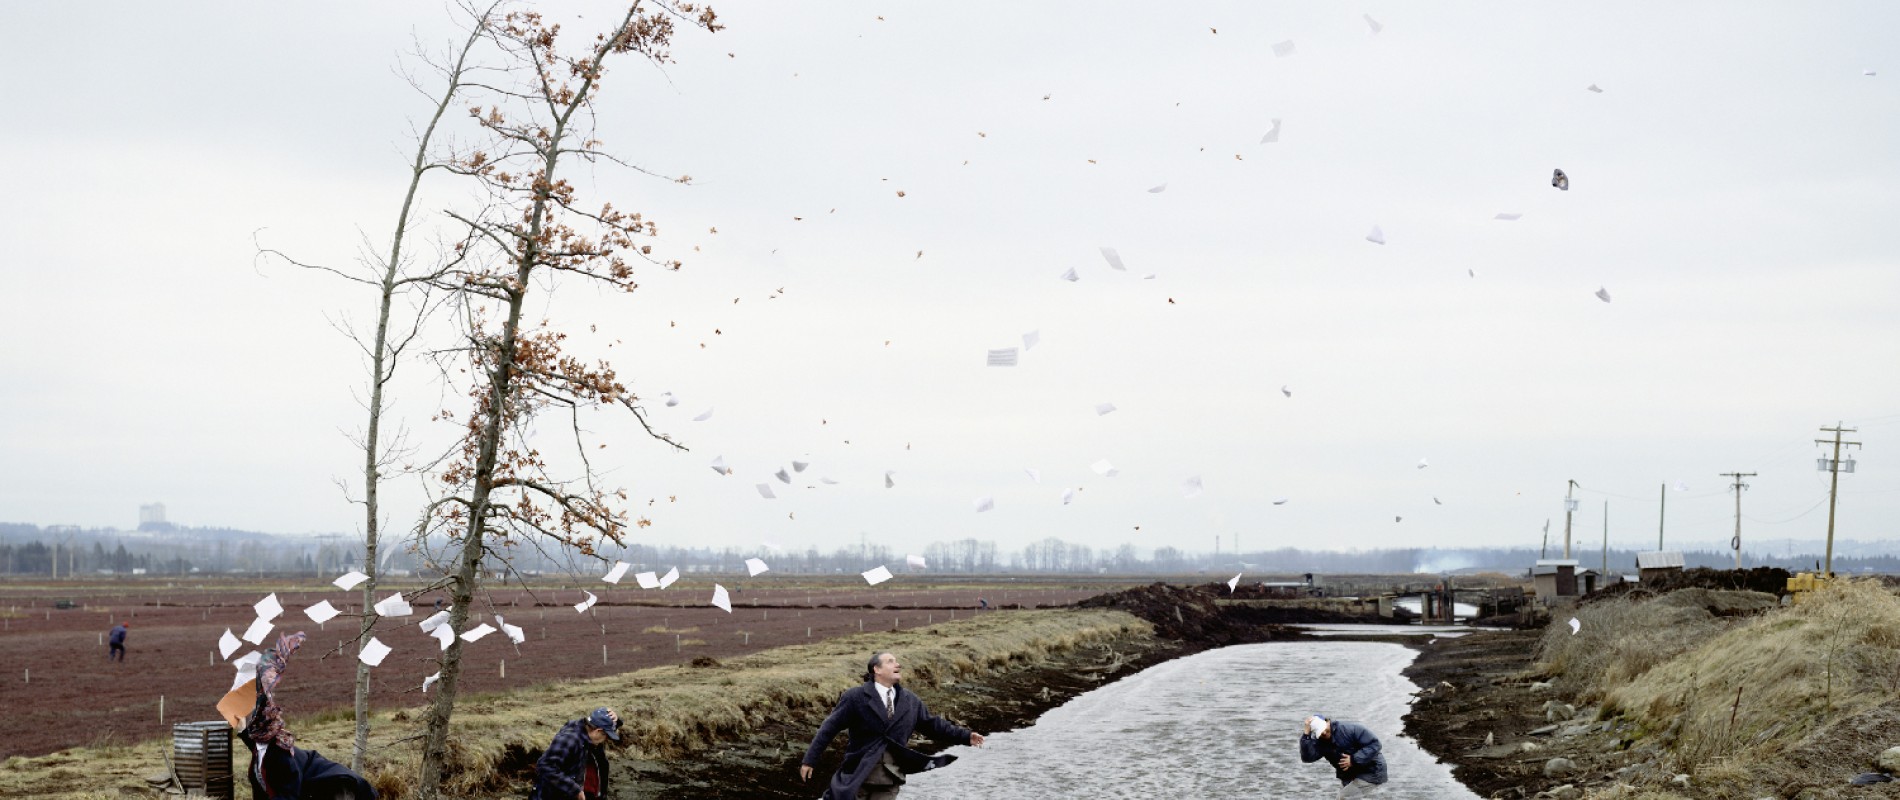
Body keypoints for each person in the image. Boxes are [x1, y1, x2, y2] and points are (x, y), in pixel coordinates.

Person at [800, 651, 985, 799]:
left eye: (896, 661)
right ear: (876, 670)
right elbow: (829, 728)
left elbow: (933, 725)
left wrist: (966, 736)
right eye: (890, 661)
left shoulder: (910, 701)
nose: (897, 664)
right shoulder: (855, 697)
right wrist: (810, 760)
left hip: (890, 778)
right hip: (858, 775)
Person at [242, 632, 377, 799]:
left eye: (254, 721)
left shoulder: (280, 753)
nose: (250, 723)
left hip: (338, 787)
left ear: (265, 729)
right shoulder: (261, 748)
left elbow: (289, 794)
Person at [530, 707, 618, 800]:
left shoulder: (588, 732)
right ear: (598, 731)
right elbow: (545, 766)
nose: (605, 740)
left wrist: (616, 720)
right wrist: (574, 790)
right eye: (606, 736)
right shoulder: (570, 739)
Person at [1300, 715, 1388, 797]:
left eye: (1323, 729)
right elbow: (1307, 758)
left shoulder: (1350, 729)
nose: (1323, 733)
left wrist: (1353, 760)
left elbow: (1375, 744)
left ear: (1327, 721)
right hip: (1349, 776)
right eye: (1320, 732)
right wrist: (1306, 735)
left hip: (1373, 771)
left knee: (1343, 798)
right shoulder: (1320, 742)